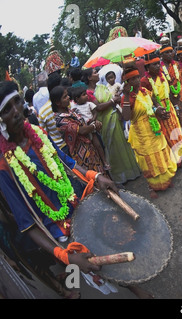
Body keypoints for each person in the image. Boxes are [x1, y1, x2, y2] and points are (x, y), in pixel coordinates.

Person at [0, 80, 118, 275]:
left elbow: (67, 163)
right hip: (59, 233)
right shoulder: (5, 166)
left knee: (111, 244)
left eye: (17, 102)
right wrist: (65, 256)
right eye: (6, 109)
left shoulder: (38, 134)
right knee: (99, 271)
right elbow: (27, 224)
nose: (15, 111)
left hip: (78, 205)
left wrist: (96, 176)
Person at [121, 66, 178, 199]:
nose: (137, 81)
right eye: (132, 79)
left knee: (162, 153)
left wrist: (158, 109)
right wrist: (127, 95)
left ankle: (165, 181)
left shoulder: (145, 91)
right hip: (141, 134)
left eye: (137, 77)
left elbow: (154, 103)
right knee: (148, 160)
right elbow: (126, 117)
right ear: (127, 83)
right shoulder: (126, 98)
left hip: (154, 127)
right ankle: (151, 186)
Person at [141, 50, 182, 166]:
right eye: (154, 64)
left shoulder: (163, 76)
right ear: (148, 67)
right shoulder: (144, 81)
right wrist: (158, 108)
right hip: (158, 111)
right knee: (166, 135)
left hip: (169, 107)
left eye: (158, 63)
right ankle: (172, 163)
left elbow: (169, 92)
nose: (158, 66)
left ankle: (180, 159)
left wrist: (174, 107)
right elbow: (149, 98)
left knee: (176, 131)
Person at [52, 86, 106, 175]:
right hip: (81, 155)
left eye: (67, 95)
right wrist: (94, 126)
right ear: (58, 102)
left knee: (100, 173)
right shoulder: (60, 120)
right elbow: (82, 131)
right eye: (65, 97)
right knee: (93, 178)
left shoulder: (70, 111)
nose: (68, 97)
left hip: (90, 148)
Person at [69, 87, 111, 172]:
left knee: (98, 144)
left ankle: (105, 162)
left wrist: (93, 120)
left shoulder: (89, 104)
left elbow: (95, 112)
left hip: (92, 126)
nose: (86, 96)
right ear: (77, 99)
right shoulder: (74, 107)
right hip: (83, 130)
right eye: (84, 95)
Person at [38, 72, 68, 154]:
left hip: (58, 148)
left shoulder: (43, 111)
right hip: (70, 146)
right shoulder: (68, 104)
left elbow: (43, 135)